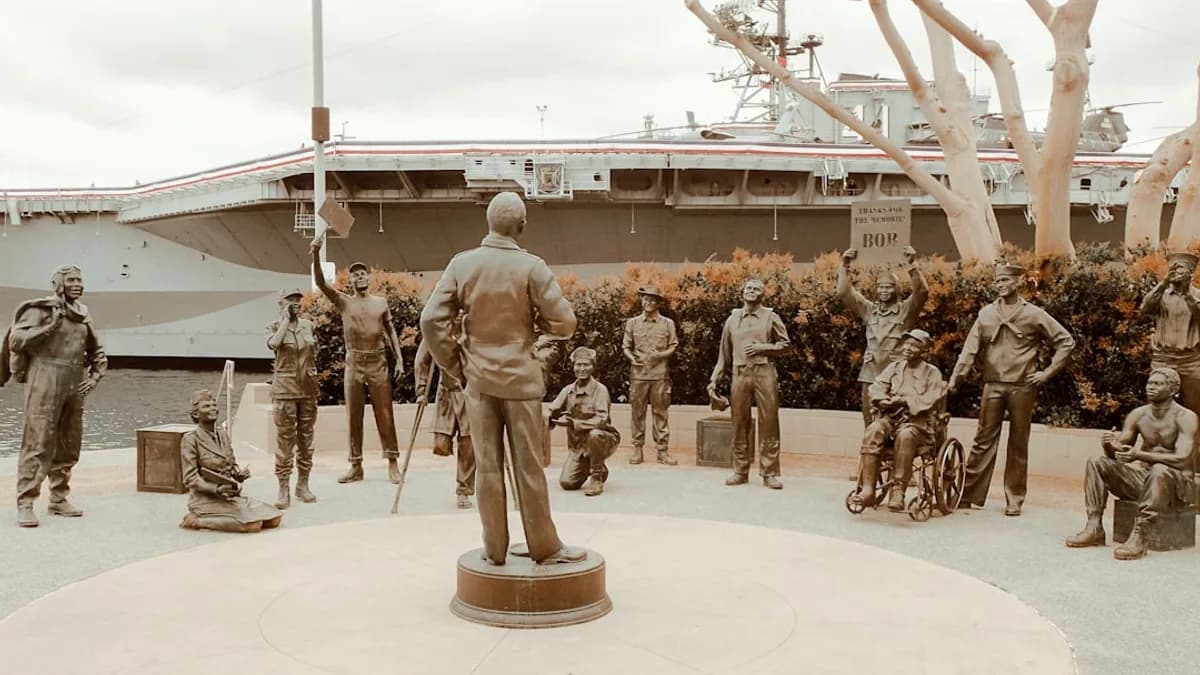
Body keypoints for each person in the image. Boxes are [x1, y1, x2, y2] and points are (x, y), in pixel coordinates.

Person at [420, 191, 585, 566]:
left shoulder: (462, 264)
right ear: (522, 226)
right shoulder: (532, 268)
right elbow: (565, 323)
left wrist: (456, 365)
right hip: (522, 381)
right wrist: (537, 340)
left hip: (478, 382)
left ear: (489, 222)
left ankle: (494, 549)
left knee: (487, 469)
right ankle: (545, 547)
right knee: (529, 468)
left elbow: (430, 320)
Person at [948, 263, 1075, 516]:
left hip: (1022, 386)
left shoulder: (1034, 314)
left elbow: (1066, 342)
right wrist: (954, 380)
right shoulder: (986, 314)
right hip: (993, 384)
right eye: (997, 280)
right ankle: (969, 493)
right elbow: (969, 351)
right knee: (983, 440)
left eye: (1005, 280)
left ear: (1019, 282)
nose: (1000, 284)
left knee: (1018, 442)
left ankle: (1015, 498)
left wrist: (1046, 373)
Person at [4, 265, 107, 528]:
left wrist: (94, 378)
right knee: (37, 442)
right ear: (57, 284)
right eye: (71, 279)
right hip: (45, 378)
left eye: (79, 279)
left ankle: (58, 498)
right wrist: (48, 328)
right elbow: (16, 340)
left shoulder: (83, 314)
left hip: (74, 381)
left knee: (69, 443)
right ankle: (26, 503)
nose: (77, 284)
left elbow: (97, 351)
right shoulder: (41, 310)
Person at [1065, 368, 1196, 560]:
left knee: (1159, 470)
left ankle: (1140, 535)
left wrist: (1139, 455)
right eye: (1149, 383)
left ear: (1172, 390)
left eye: (1157, 384)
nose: (1151, 387)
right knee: (1097, 462)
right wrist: (1109, 445)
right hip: (1147, 480)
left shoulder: (1186, 417)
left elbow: (1182, 457)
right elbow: (1119, 453)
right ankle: (1094, 526)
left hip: (1177, 487)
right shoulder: (1139, 414)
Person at [310, 244, 405, 484]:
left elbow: (391, 332)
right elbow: (320, 283)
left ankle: (393, 463)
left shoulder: (381, 303)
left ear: (368, 278)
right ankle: (356, 465)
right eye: (355, 274)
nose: (360, 276)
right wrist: (316, 253)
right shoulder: (343, 301)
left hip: (378, 361)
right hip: (354, 362)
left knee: (385, 413)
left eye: (363, 273)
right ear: (350, 281)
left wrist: (400, 360)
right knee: (353, 415)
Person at [707, 278, 791, 490]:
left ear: (762, 295)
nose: (751, 291)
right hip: (740, 373)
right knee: (739, 422)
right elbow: (723, 356)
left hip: (765, 373)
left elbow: (785, 345)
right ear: (742, 292)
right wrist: (714, 379)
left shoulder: (771, 317)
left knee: (769, 422)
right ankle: (740, 470)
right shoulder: (732, 319)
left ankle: (769, 472)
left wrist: (763, 348)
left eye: (756, 289)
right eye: (748, 288)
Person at [854, 329, 945, 511]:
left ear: (924, 351)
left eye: (914, 345)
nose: (908, 348)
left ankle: (898, 490)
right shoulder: (894, 368)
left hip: (917, 425)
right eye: (907, 344)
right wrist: (882, 400)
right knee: (873, 430)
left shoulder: (932, 373)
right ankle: (868, 489)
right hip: (891, 419)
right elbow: (877, 387)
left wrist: (905, 401)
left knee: (906, 436)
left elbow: (931, 398)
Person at [838, 246, 928, 423]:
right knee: (870, 421)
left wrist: (912, 264)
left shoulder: (905, 311)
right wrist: (845, 265)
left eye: (888, 287)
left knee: (896, 422)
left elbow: (922, 292)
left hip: (896, 375)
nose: (884, 291)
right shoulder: (869, 310)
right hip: (870, 373)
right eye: (880, 287)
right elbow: (844, 293)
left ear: (896, 289)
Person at [179, 389, 283, 533]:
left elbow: (231, 463)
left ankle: (233, 515)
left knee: (274, 519)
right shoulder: (190, 439)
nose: (213, 408)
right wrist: (216, 489)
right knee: (252, 526)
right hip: (205, 500)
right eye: (207, 406)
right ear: (196, 414)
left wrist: (238, 474)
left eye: (214, 405)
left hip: (229, 497)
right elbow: (190, 478)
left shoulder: (223, 435)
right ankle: (196, 521)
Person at [1140, 251, 1200, 486]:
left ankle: (1191, 471)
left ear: (1191, 273)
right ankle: (1150, 466)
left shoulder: (1196, 295)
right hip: (1163, 359)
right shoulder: (1161, 295)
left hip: (1191, 360)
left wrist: (1187, 294)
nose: (1178, 273)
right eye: (1175, 268)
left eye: (1183, 269)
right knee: (1156, 410)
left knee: (1193, 415)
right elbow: (1145, 308)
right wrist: (1164, 282)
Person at [414, 311, 476, 510]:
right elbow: (421, 360)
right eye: (455, 310)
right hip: (447, 395)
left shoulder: (474, 330)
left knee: (469, 444)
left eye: (462, 310)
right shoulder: (436, 332)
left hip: (469, 394)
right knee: (441, 446)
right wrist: (421, 390)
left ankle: (464, 490)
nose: (458, 314)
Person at [265, 288, 319, 509]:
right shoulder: (274, 326)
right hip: (284, 390)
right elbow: (273, 345)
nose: (296, 303)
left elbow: (313, 352)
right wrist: (286, 320)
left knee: (306, 440)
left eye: (298, 299)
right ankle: (283, 488)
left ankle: (302, 486)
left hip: (307, 389)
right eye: (291, 300)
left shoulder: (308, 325)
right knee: (285, 442)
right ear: (281, 304)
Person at [550, 347, 621, 497]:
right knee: (567, 483)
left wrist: (575, 424)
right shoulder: (568, 390)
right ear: (573, 367)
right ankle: (597, 465)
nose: (581, 369)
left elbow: (602, 419)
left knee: (594, 435)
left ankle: (596, 477)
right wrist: (546, 416)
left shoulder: (600, 390)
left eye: (586, 365)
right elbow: (553, 409)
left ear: (593, 367)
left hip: (603, 438)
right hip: (578, 446)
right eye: (578, 365)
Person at [621, 285, 678, 466]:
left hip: (660, 375)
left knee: (660, 413)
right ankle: (637, 449)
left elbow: (673, 345)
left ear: (658, 303)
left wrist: (660, 355)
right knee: (637, 413)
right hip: (638, 375)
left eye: (652, 300)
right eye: (645, 299)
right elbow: (626, 346)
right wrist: (632, 359)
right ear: (642, 301)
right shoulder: (632, 323)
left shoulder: (667, 323)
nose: (648, 302)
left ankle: (662, 451)